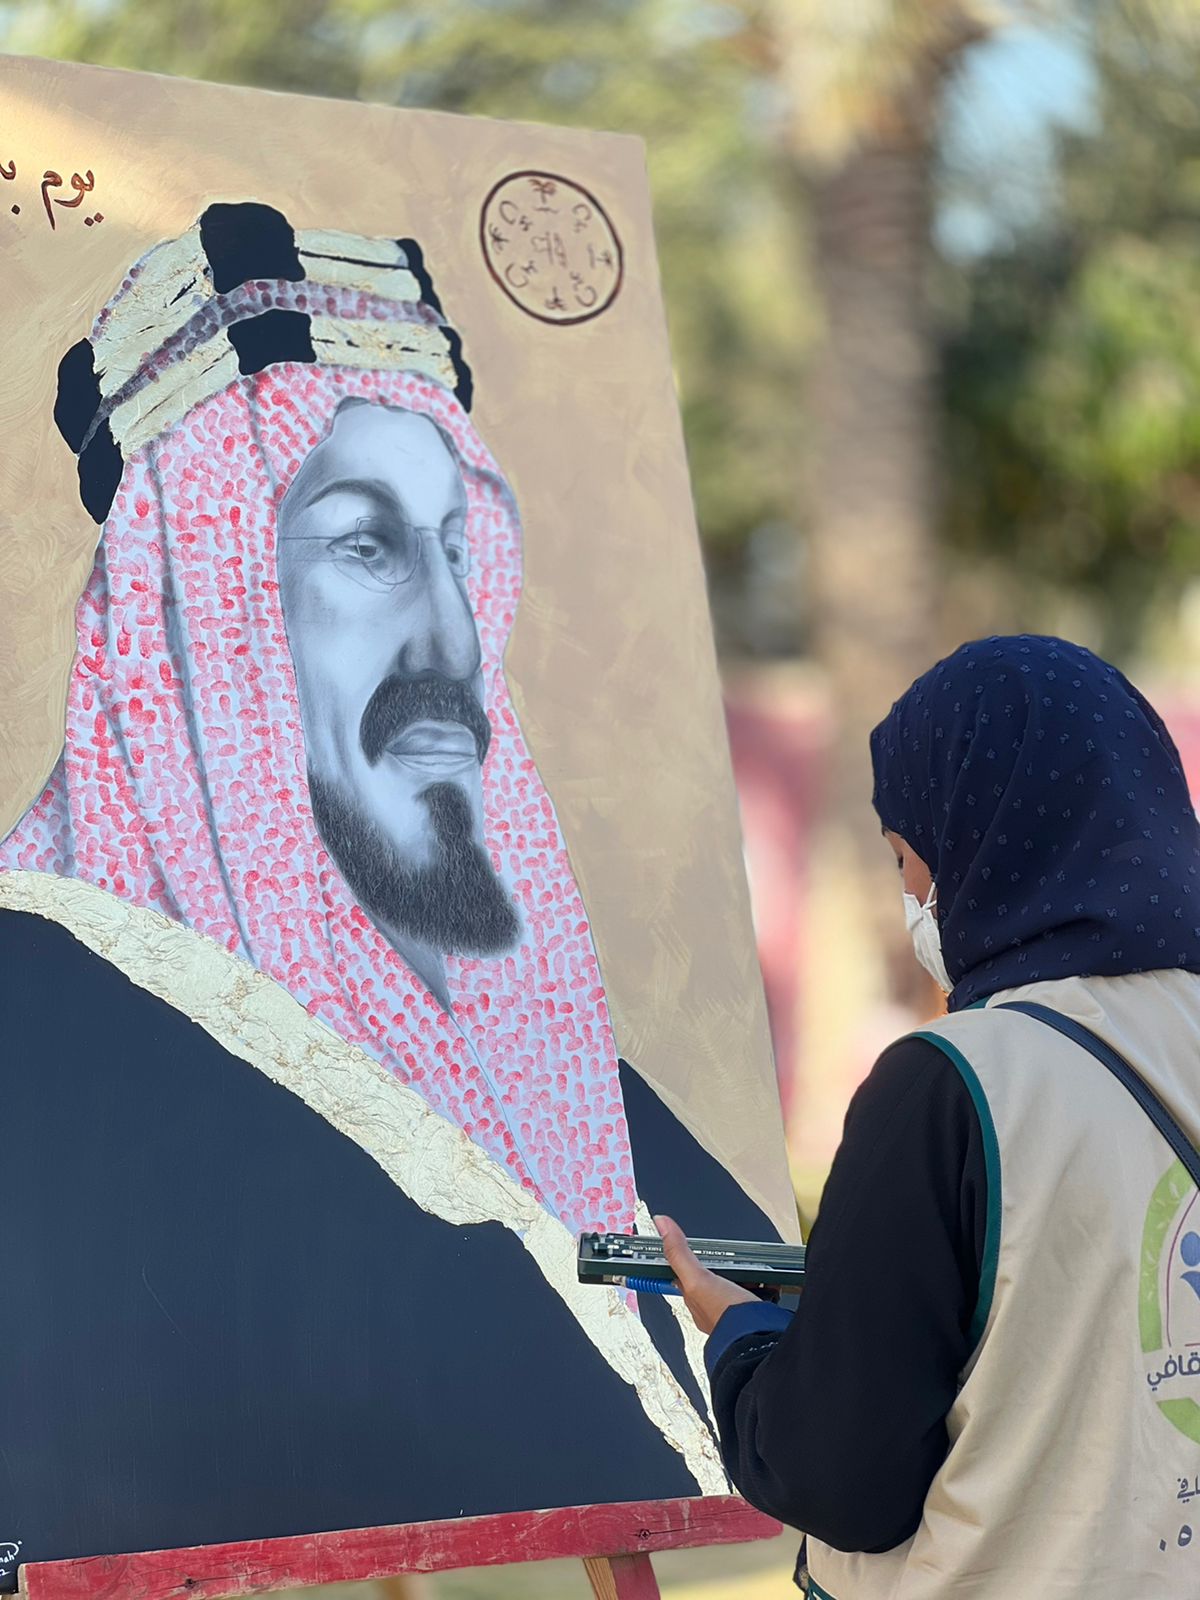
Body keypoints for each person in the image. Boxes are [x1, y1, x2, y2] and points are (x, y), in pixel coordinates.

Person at [0, 203, 773, 1569]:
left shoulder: (548, 1074)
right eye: (365, 547)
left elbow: (756, 1300)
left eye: (458, 550)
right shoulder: (46, 1014)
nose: (454, 640)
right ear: (199, 609)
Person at [659, 634, 1200, 1599]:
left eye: (906, 857)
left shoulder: (952, 1084)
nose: (910, 895)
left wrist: (743, 1337)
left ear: (981, 844)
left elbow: (841, 1476)